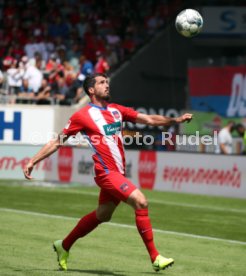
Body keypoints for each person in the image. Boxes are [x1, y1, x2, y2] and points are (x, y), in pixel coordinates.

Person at [23, 73, 193, 272]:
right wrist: (33, 160)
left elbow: (148, 119)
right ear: (91, 90)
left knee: (103, 215)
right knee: (141, 201)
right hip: (106, 173)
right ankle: (155, 257)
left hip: (118, 173)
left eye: (107, 82)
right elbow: (58, 141)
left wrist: (176, 119)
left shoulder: (116, 110)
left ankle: (64, 245)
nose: (107, 85)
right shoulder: (82, 115)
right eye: (102, 82)